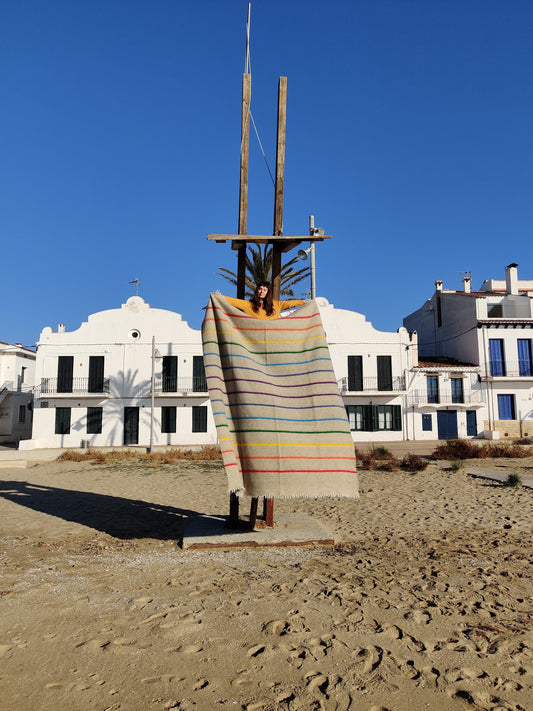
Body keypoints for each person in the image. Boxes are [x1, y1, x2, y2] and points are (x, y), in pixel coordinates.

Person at [223, 281, 305, 320]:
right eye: (260, 289)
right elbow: (232, 301)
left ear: (267, 292)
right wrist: (218, 297)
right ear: (257, 291)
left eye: (264, 290)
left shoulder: (276, 305)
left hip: (271, 337)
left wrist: (304, 302)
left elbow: (291, 303)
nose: (262, 292)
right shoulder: (248, 304)